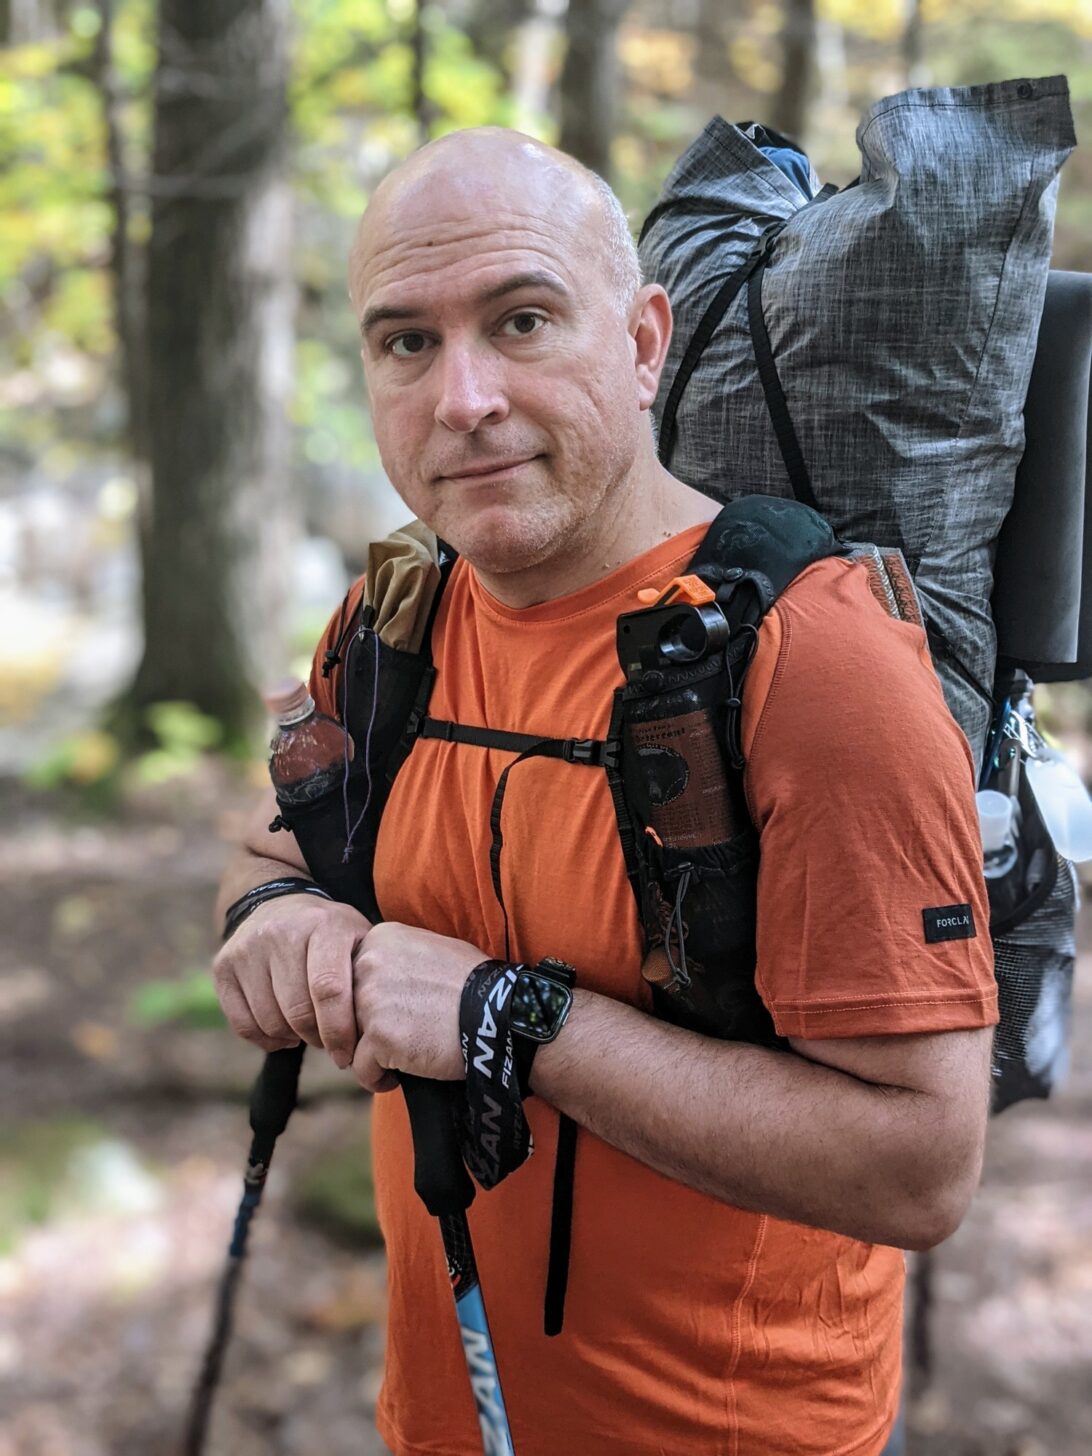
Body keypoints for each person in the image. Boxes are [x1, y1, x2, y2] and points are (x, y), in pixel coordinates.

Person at [213, 128, 998, 1456]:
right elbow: (261, 860)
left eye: (520, 321)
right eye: (406, 342)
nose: (462, 397)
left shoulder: (816, 665)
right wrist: (279, 925)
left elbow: (922, 1167)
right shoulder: (391, 620)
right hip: (444, 1418)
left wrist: (505, 1017)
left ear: (643, 345)